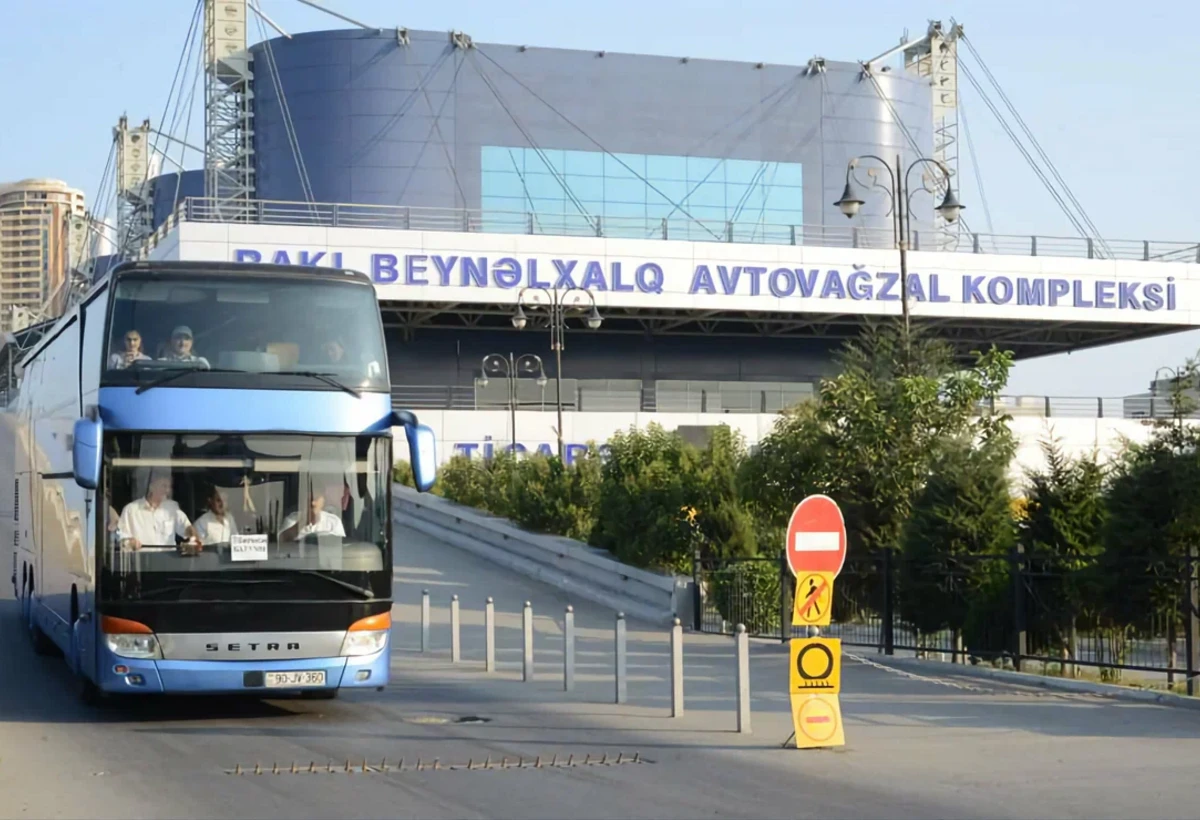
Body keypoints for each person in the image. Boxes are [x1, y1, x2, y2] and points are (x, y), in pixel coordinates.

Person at [116, 473, 202, 554]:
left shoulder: (172, 507)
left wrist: (192, 536)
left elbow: (187, 528)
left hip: (168, 564)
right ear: (151, 486)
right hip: (141, 564)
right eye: (164, 486)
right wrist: (130, 542)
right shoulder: (130, 510)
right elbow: (120, 539)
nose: (167, 490)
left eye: (169, 487)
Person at [279, 481, 346, 541]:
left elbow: (341, 547)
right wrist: (302, 522)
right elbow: (280, 542)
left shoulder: (333, 521)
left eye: (316, 498)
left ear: (323, 500)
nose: (313, 503)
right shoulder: (291, 519)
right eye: (309, 499)